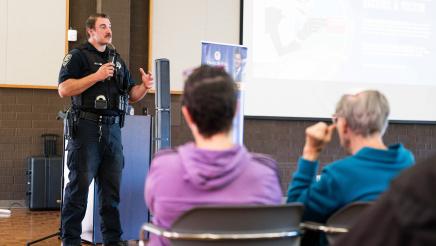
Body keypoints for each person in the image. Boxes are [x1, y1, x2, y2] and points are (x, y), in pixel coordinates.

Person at [145, 65, 283, 246]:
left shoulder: (162, 168)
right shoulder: (266, 176)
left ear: (187, 114)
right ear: (236, 109)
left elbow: (153, 207)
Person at [58, 13, 153, 246]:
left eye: (109, 26)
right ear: (91, 31)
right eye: (103, 26)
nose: (108, 30)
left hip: (113, 132)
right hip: (86, 130)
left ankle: (113, 240)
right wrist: (96, 76)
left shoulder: (117, 60)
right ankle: (70, 241)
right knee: (78, 192)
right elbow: (64, 89)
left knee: (111, 195)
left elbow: (131, 96)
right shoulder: (77, 56)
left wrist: (144, 86)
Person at [286, 90, 414, 228]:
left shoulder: (338, 174)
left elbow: (293, 215)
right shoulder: (407, 163)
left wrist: (311, 152)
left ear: (344, 125)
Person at [335, 153, 436, 246]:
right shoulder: (407, 162)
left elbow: (318, 211)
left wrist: (317, 149)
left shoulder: (337, 172)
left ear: (345, 132)